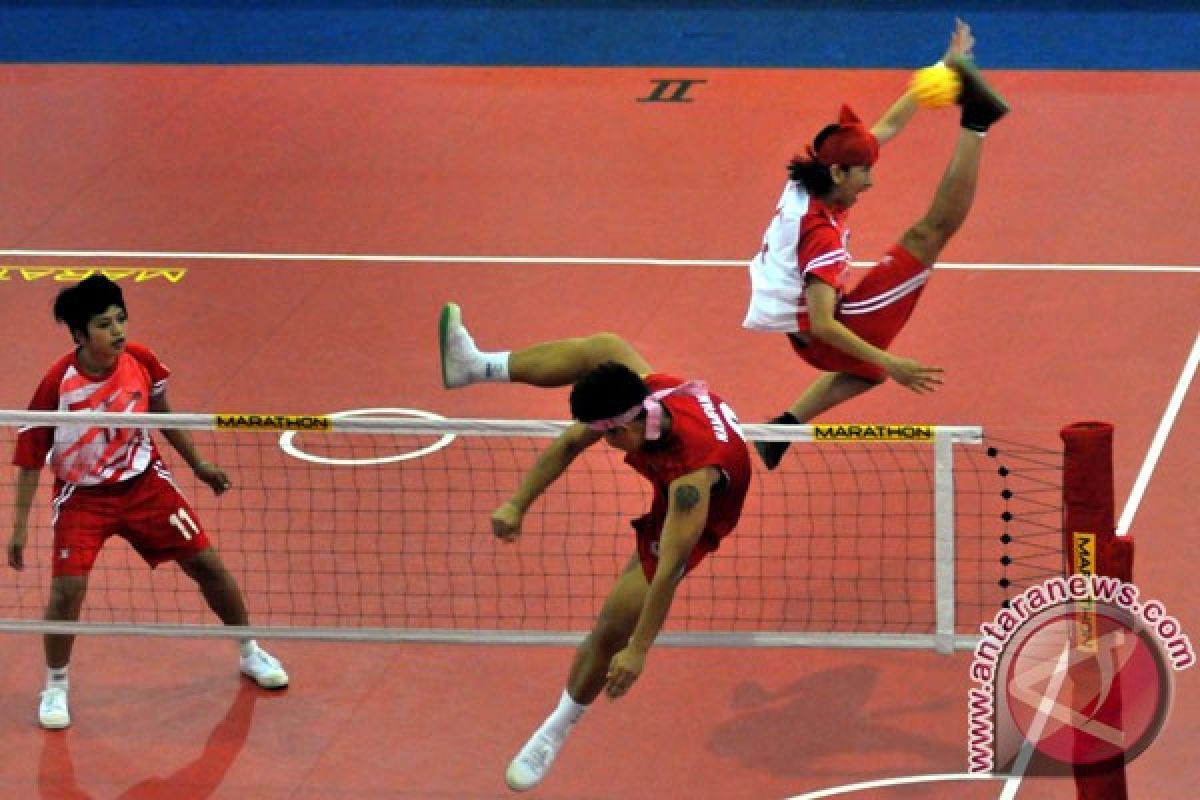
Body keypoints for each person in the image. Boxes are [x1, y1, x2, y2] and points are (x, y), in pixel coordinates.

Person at [439, 302, 752, 791]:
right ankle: (477, 365)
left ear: (626, 427)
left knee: (611, 632)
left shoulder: (694, 476)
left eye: (606, 437)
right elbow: (568, 445)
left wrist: (640, 651)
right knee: (605, 346)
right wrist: (517, 503)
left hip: (693, 513)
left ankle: (556, 727)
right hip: (668, 459)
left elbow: (669, 568)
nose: (600, 444)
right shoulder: (641, 397)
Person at [8, 274, 288, 731]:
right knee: (66, 593)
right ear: (79, 335)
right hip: (84, 498)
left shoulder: (140, 361)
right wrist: (19, 527)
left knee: (208, 565)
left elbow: (163, 413)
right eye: (104, 324)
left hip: (144, 485)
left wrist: (197, 464)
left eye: (121, 319)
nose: (117, 330)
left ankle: (249, 650)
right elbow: (30, 456)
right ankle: (56, 684)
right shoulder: (58, 383)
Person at [743, 22, 1009, 469]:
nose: (872, 180)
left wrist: (942, 67)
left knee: (868, 373)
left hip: (809, 335)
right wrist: (895, 361)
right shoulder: (819, 236)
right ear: (839, 174)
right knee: (930, 234)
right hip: (824, 334)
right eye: (863, 173)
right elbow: (826, 326)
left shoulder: (815, 174)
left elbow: (884, 127)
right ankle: (976, 121)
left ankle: (782, 429)